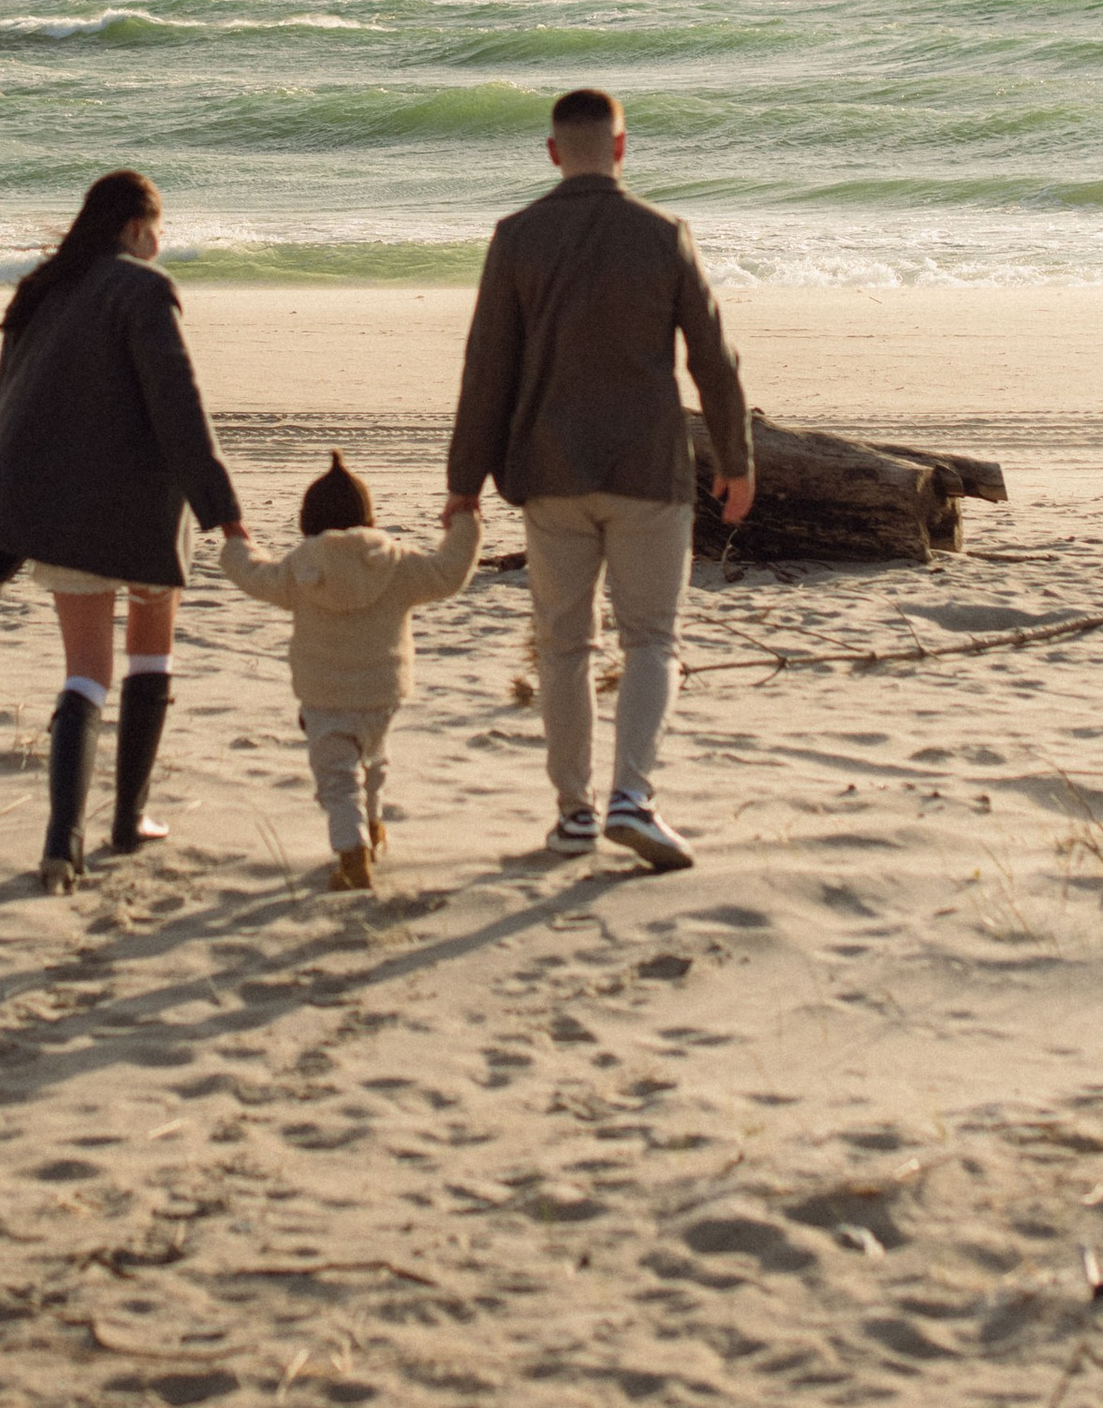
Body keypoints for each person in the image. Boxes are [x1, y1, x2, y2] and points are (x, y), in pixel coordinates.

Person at [444, 87, 755, 872]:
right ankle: (633, 798)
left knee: (564, 644)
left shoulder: (517, 236)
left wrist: (465, 480)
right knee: (652, 638)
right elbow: (714, 360)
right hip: (649, 467)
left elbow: (487, 367)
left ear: (552, 151)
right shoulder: (664, 234)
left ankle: (575, 813)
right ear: (622, 148)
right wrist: (738, 460)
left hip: (549, 469)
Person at [0, 168, 246, 893]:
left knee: (84, 672)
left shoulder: (41, 291)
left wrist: (3, 510)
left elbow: (9, 409)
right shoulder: (143, 290)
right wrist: (223, 508)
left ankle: (63, 840)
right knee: (151, 652)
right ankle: (130, 819)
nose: (161, 240)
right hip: (142, 510)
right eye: (160, 226)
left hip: (58, 509)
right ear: (134, 226)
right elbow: (180, 409)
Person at [221, 451, 481, 892]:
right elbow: (448, 573)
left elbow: (254, 575)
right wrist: (466, 523)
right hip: (383, 692)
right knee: (373, 763)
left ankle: (352, 852)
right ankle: (374, 827)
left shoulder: (302, 568)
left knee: (338, 779)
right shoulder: (395, 563)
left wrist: (235, 537)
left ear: (308, 522)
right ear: (368, 518)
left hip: (324, 696)